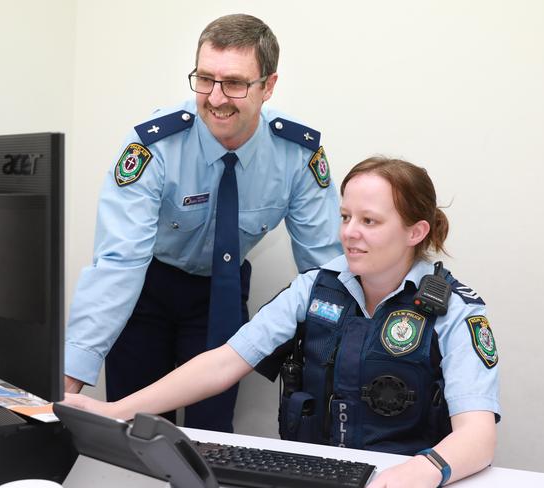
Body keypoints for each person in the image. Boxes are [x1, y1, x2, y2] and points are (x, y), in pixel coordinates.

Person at [63, 157, 500, 487]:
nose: (350, 233)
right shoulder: (315, 287)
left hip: (399, 479)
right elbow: (222, 363)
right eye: (346, 217)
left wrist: (424, 471)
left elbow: (477, 438)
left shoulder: (455, 311)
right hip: (313, 475)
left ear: (416, 232)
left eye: (370, 221)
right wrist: (113, 412)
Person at [64, 13, 342, 433]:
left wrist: (348, 349)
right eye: (205, 79)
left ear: (268, 86)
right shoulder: (155, 145)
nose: (215, 98)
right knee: (134, 428)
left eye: (234, 83)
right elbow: (119, 263)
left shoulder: (296, 154)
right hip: (145, 290)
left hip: (221, 291)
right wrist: (72, 371)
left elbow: (324, 266)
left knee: (207, 436)